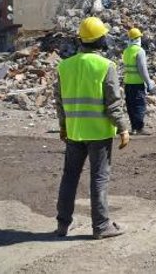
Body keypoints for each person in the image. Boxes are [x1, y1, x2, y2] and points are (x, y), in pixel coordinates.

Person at [55, 16, 129, 239]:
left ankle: (62, 225)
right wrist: (123, 128)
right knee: (99, 178)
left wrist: (63, 127)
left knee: (69, 177)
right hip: (99, 133)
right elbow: (113, 103)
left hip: (74, 132)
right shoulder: (106, 66)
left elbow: (59, 101)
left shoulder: (64, 66)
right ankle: (101, 226)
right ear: (100, 40)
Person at [122, 27, 156, 135]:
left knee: (131, 106)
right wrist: (148, 82)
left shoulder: (126, 51)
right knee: (139, 105)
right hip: (137, 83)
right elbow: (142, 69)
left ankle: (134, 128)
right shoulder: (139, 51)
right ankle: (140, 128)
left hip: (128, 83)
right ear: (138, 38)